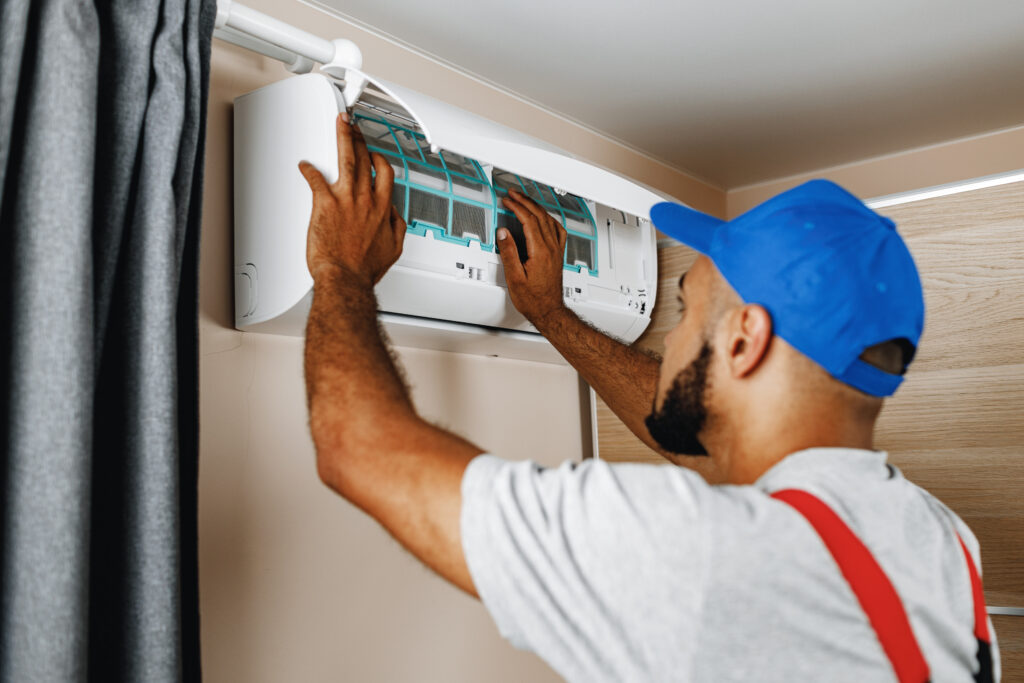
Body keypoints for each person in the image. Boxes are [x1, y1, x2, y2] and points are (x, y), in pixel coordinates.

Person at [298, 113, 1000, 682]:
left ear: (743, 339)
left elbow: (359, 450)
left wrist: (340, 270)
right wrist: (553, 315)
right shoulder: (937, 541)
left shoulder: (702, 557)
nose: (671, 333)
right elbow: (699, 431)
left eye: (686, 305)